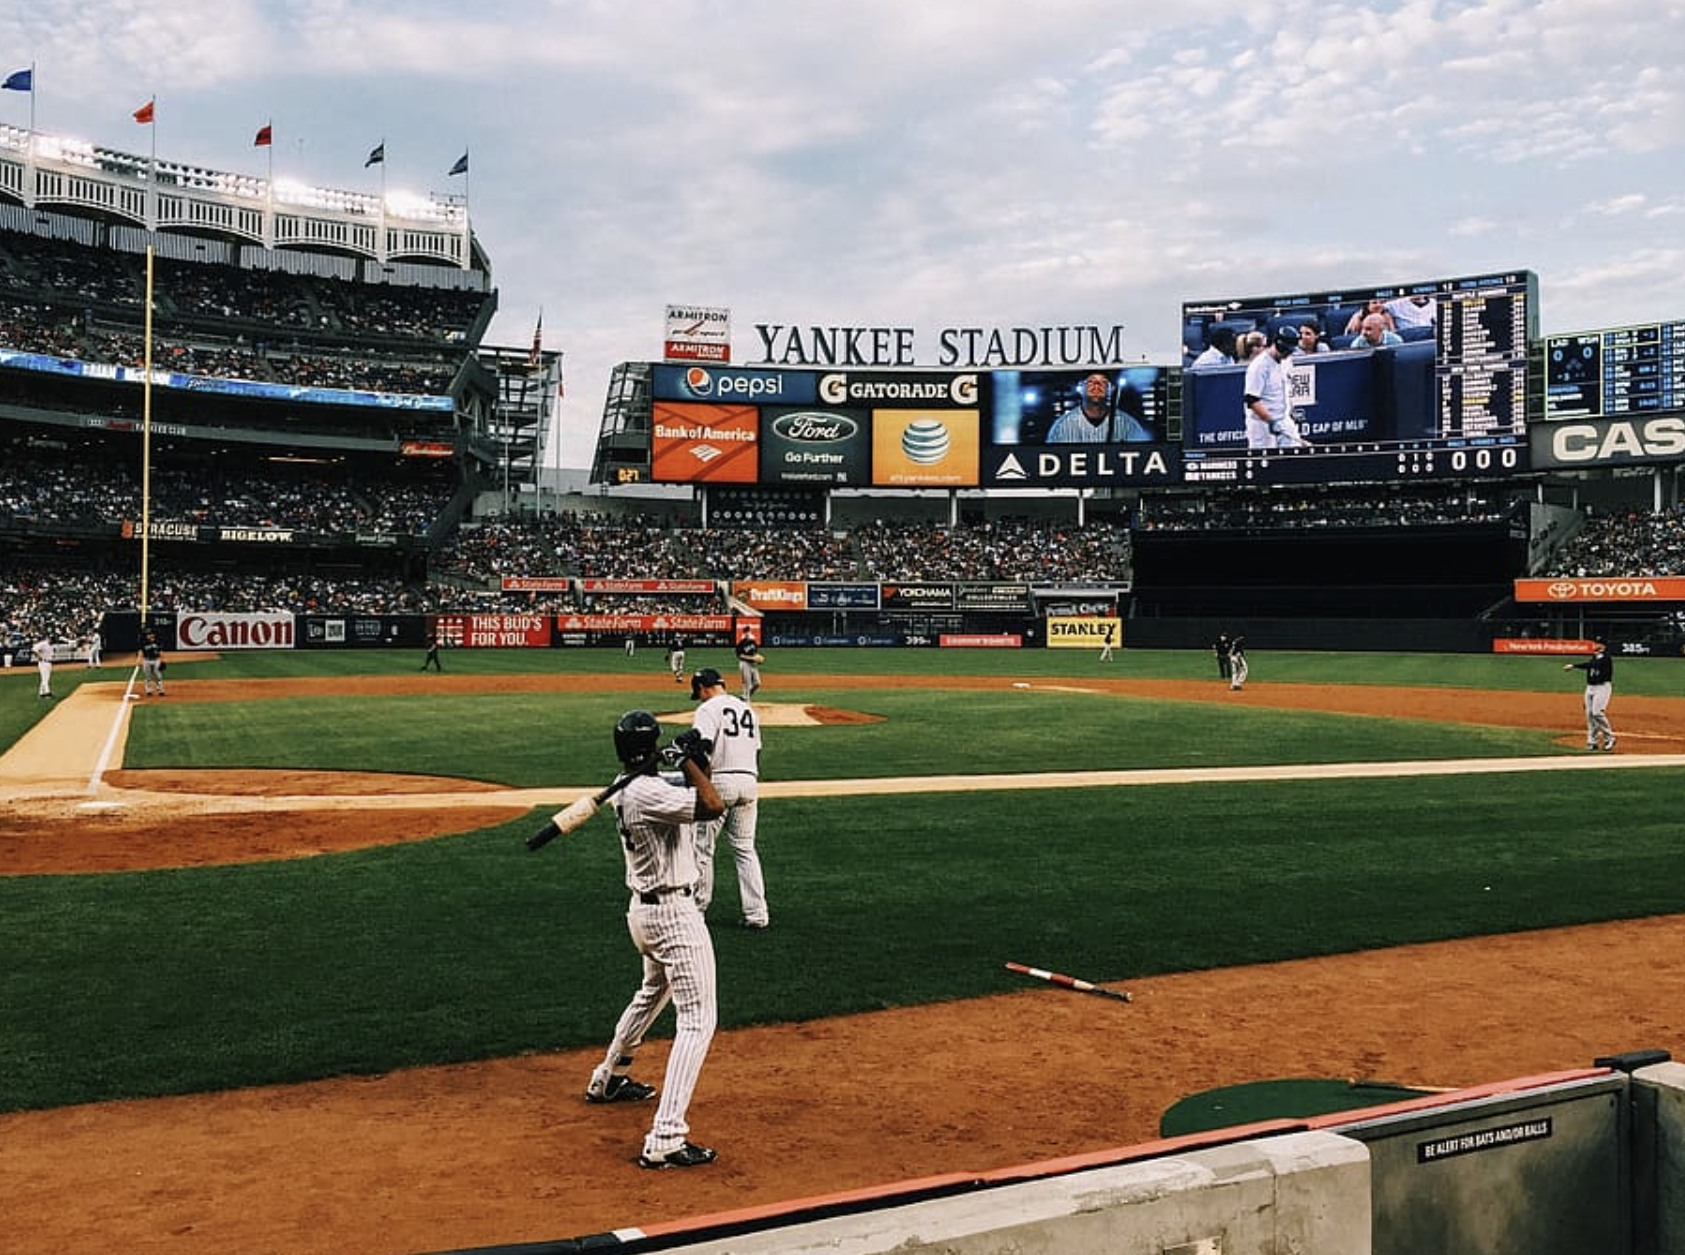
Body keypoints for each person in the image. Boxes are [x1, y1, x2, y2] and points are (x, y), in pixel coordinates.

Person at [585, 710, 725, 1171]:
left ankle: (609, 1076)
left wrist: (691, 759)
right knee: (698, 1020)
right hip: (672, 917)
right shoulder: (646, 792)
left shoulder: (628, 785)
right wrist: (690, 762)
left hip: (643, 914)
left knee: (653, 992)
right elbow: (712, 804)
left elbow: (678, 785)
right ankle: (666, 1136)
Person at [689, 668, 768, 930]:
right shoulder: (747, 709)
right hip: (749, 781)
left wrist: (702, 785)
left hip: (720, 781)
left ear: (703, 688)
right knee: (745, 849)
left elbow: (703, 750)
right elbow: (757, 752)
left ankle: (697, 911)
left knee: (702, 848)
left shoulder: (708, 709)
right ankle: (757, 914)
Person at [1242, 326, 1310, 449]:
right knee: (1264, 463)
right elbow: (1251, 400)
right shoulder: (1259, 366)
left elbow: (1284, 387)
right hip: (1261, 425)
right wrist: (1270, 421)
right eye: (1284, 350)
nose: (1285, 354)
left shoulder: (1287, 360)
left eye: (1288, 351)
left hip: (1283, 419)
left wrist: (1291, 409)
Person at [1044, 371, 1151, 443]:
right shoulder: (1062, 426)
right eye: (1091, 382)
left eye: (1103, 382)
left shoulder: (1128, 425)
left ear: (1111, 389)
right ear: (1081, 388)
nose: (1096, 386)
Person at [1563, 638, 1616, 750]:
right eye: (1595, 643)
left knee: (1596, 713)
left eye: (1598, 643)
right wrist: (1574, 666)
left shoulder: (1606, 658)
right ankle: (1592, 741)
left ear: (1603, 646)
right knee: (1589, 714)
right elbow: (1589, 665)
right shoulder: (1595, 656)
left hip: (1602, 687)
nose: (1595, 645)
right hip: (1590, 687)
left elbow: (1599, 669)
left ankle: (1609, 738)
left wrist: (1592, 666)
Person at [734, 633, 764, 701]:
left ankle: (745, 697)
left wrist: (758, 658)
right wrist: (752, 658)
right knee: (747, 684)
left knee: (757, 683)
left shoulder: (753, 643)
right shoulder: (740, 645)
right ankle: (746, 701)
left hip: (753, 665)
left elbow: (755, 653)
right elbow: (740, 656)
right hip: (745, 664)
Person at [140, 630, 166, 697]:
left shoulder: (158, 642)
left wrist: (163, 660)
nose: (150, 636)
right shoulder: (143, 643)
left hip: (156, 660)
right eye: (148, 635)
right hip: (147, 660)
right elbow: (141, 652)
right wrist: (138, 660)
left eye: (151, 634)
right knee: (148, 676)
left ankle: (160, 690)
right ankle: (148, 690)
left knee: (158, 676)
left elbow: (161, 652)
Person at [34, 633, 53, 699]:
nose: (51, 639)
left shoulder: (48, 645)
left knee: (45, 678)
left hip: (48, 662)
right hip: (43, 663)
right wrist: (38, 656)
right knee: (45, 678)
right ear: (46, 637)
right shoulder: (43, 643)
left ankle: (41, 693)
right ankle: (47, 693)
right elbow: (34, 649)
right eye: (49, 637)